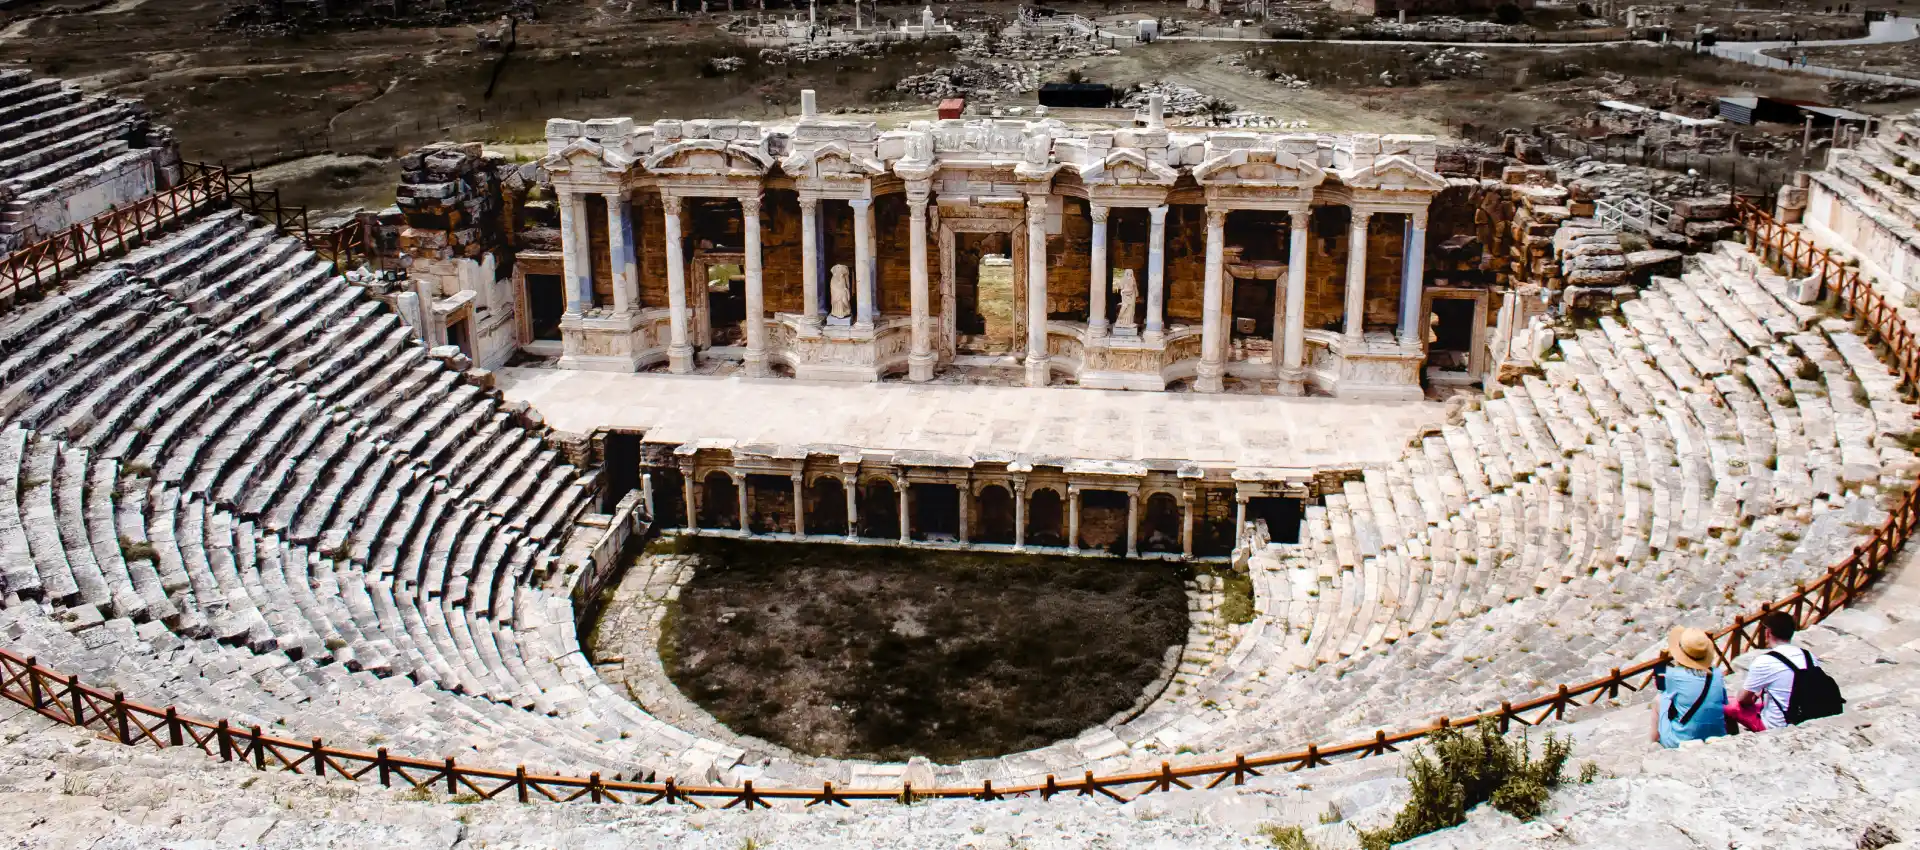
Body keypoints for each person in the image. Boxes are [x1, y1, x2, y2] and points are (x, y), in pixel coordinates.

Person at [1727, 611, 1820, 731]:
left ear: (1768, 632)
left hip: (1776, 725)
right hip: (1805, 715)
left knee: (1727, 704)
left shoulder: (1765, 661)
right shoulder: (1810, 656)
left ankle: (1731, 740)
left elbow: (1742, 699)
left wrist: (1754, 696)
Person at [1651, 626, 1729, 748]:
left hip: (1683, 740)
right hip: (1718, 734)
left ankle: (1653, 743)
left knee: (1658, 699)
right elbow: (1724, 702)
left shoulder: (1673, 675)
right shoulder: (1717, 673)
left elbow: (1669, 700)